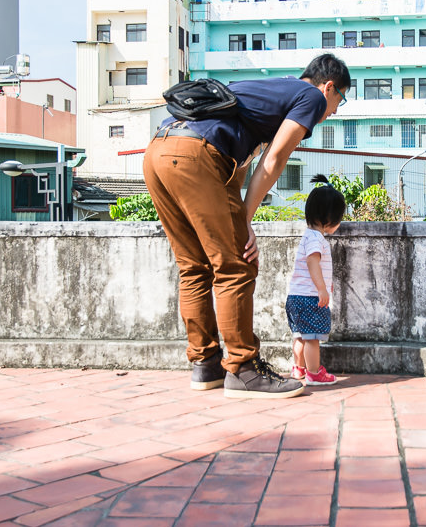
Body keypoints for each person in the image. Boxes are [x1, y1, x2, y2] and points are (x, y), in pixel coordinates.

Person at [142, 53, 350, 399]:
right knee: (236, 266)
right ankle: (243, 369)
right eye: (339, 100)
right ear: (329, 86)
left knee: (193, 268)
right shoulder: (310, 96)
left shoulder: (266, 92)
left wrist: (241, 216)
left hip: (160, 149)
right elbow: (276, 157)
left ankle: (205, 364)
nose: (334, 111)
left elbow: (234, 168)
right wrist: (243, 219)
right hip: (196, 154)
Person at [286, 175, 345, 385]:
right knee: (312, 338)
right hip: (310, 297)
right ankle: (314, 373)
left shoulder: (308, 235)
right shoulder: (316, 238)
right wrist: (322, 289)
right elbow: (313, 263)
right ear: (330, 219)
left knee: (300, 335)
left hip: (295, 297)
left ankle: (298, 369)